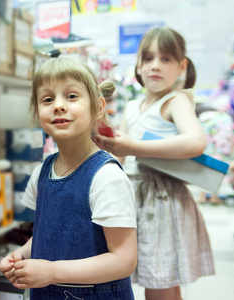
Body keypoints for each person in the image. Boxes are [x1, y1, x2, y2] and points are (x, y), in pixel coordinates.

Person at [0, 57, 138, 299]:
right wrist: (21, 255)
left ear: (98, 107)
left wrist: (52, 271)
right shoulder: (42, 172)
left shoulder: (107, 178)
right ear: (37, 112)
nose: (58, 106)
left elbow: (124, 260)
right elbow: (49, 234)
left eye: (71, 96)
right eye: (48, 99)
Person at [97, 27, 215, 300]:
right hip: (138, 198)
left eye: (166, 59)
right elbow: (121, 158)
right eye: (148, 59)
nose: (155, 67)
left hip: (162, 201)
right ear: (138, 65)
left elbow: (196, 142)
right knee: (165, 282)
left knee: (158, 281)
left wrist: (133, 146)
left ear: (181, 66)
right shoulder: (131, 107)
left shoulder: (176, 100)